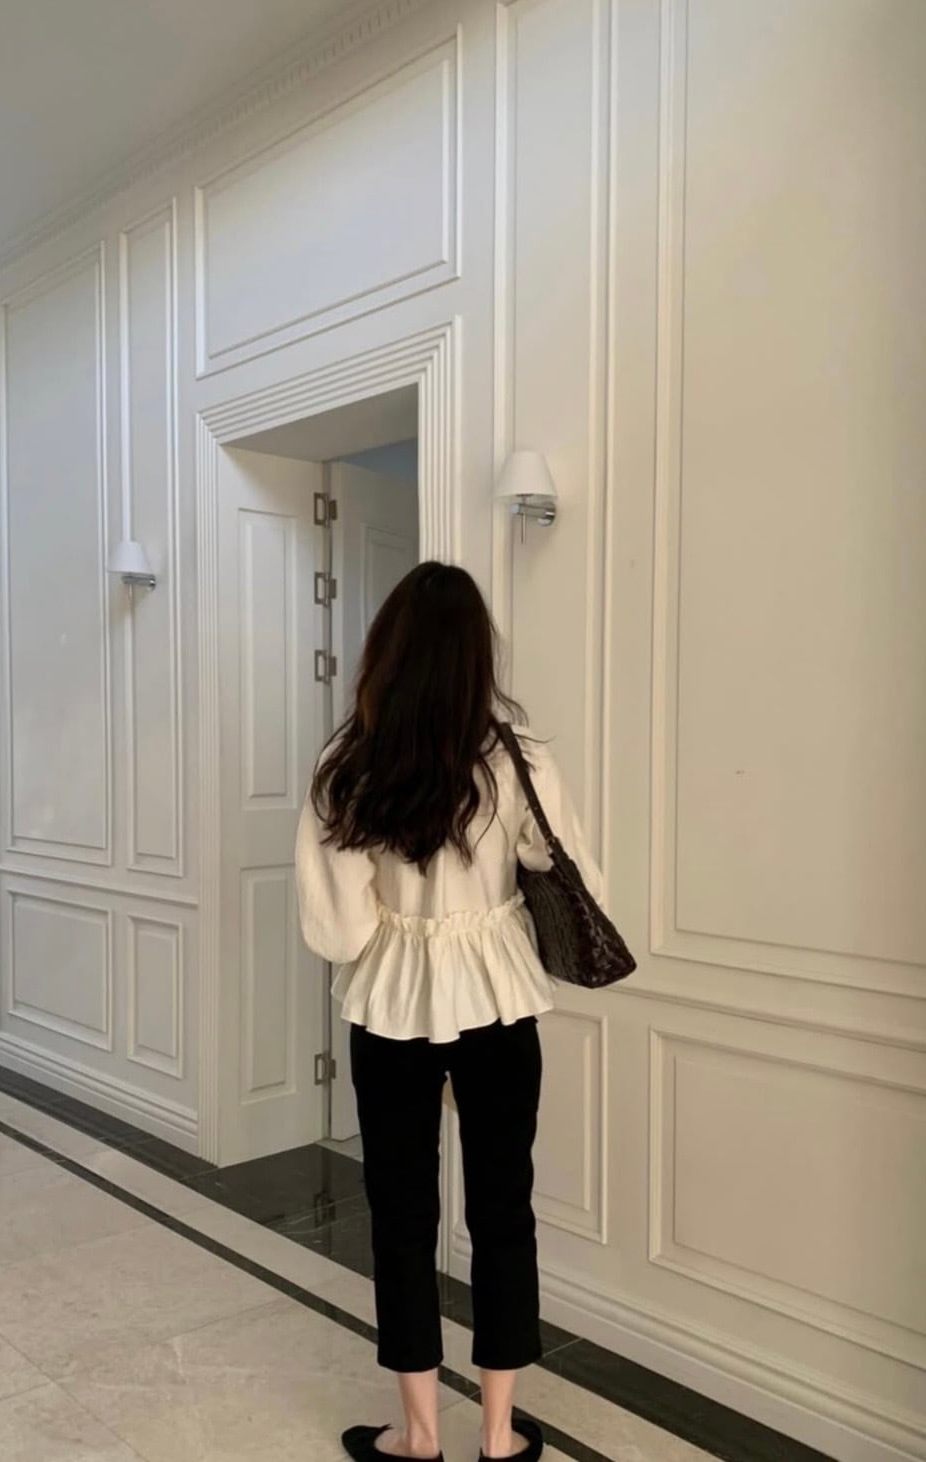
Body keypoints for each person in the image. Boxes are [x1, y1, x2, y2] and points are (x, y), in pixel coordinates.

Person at [296, 562, 604, 1462]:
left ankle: (420, 1435)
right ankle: (499, 1437)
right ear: (477, 653)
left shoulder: (349, 763)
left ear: (385, 650)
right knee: (504, 1209)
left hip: (391, 999)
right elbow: (574, 868)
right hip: (500, 998)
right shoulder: (518, 755)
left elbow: (340, 929)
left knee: (400, 1215)